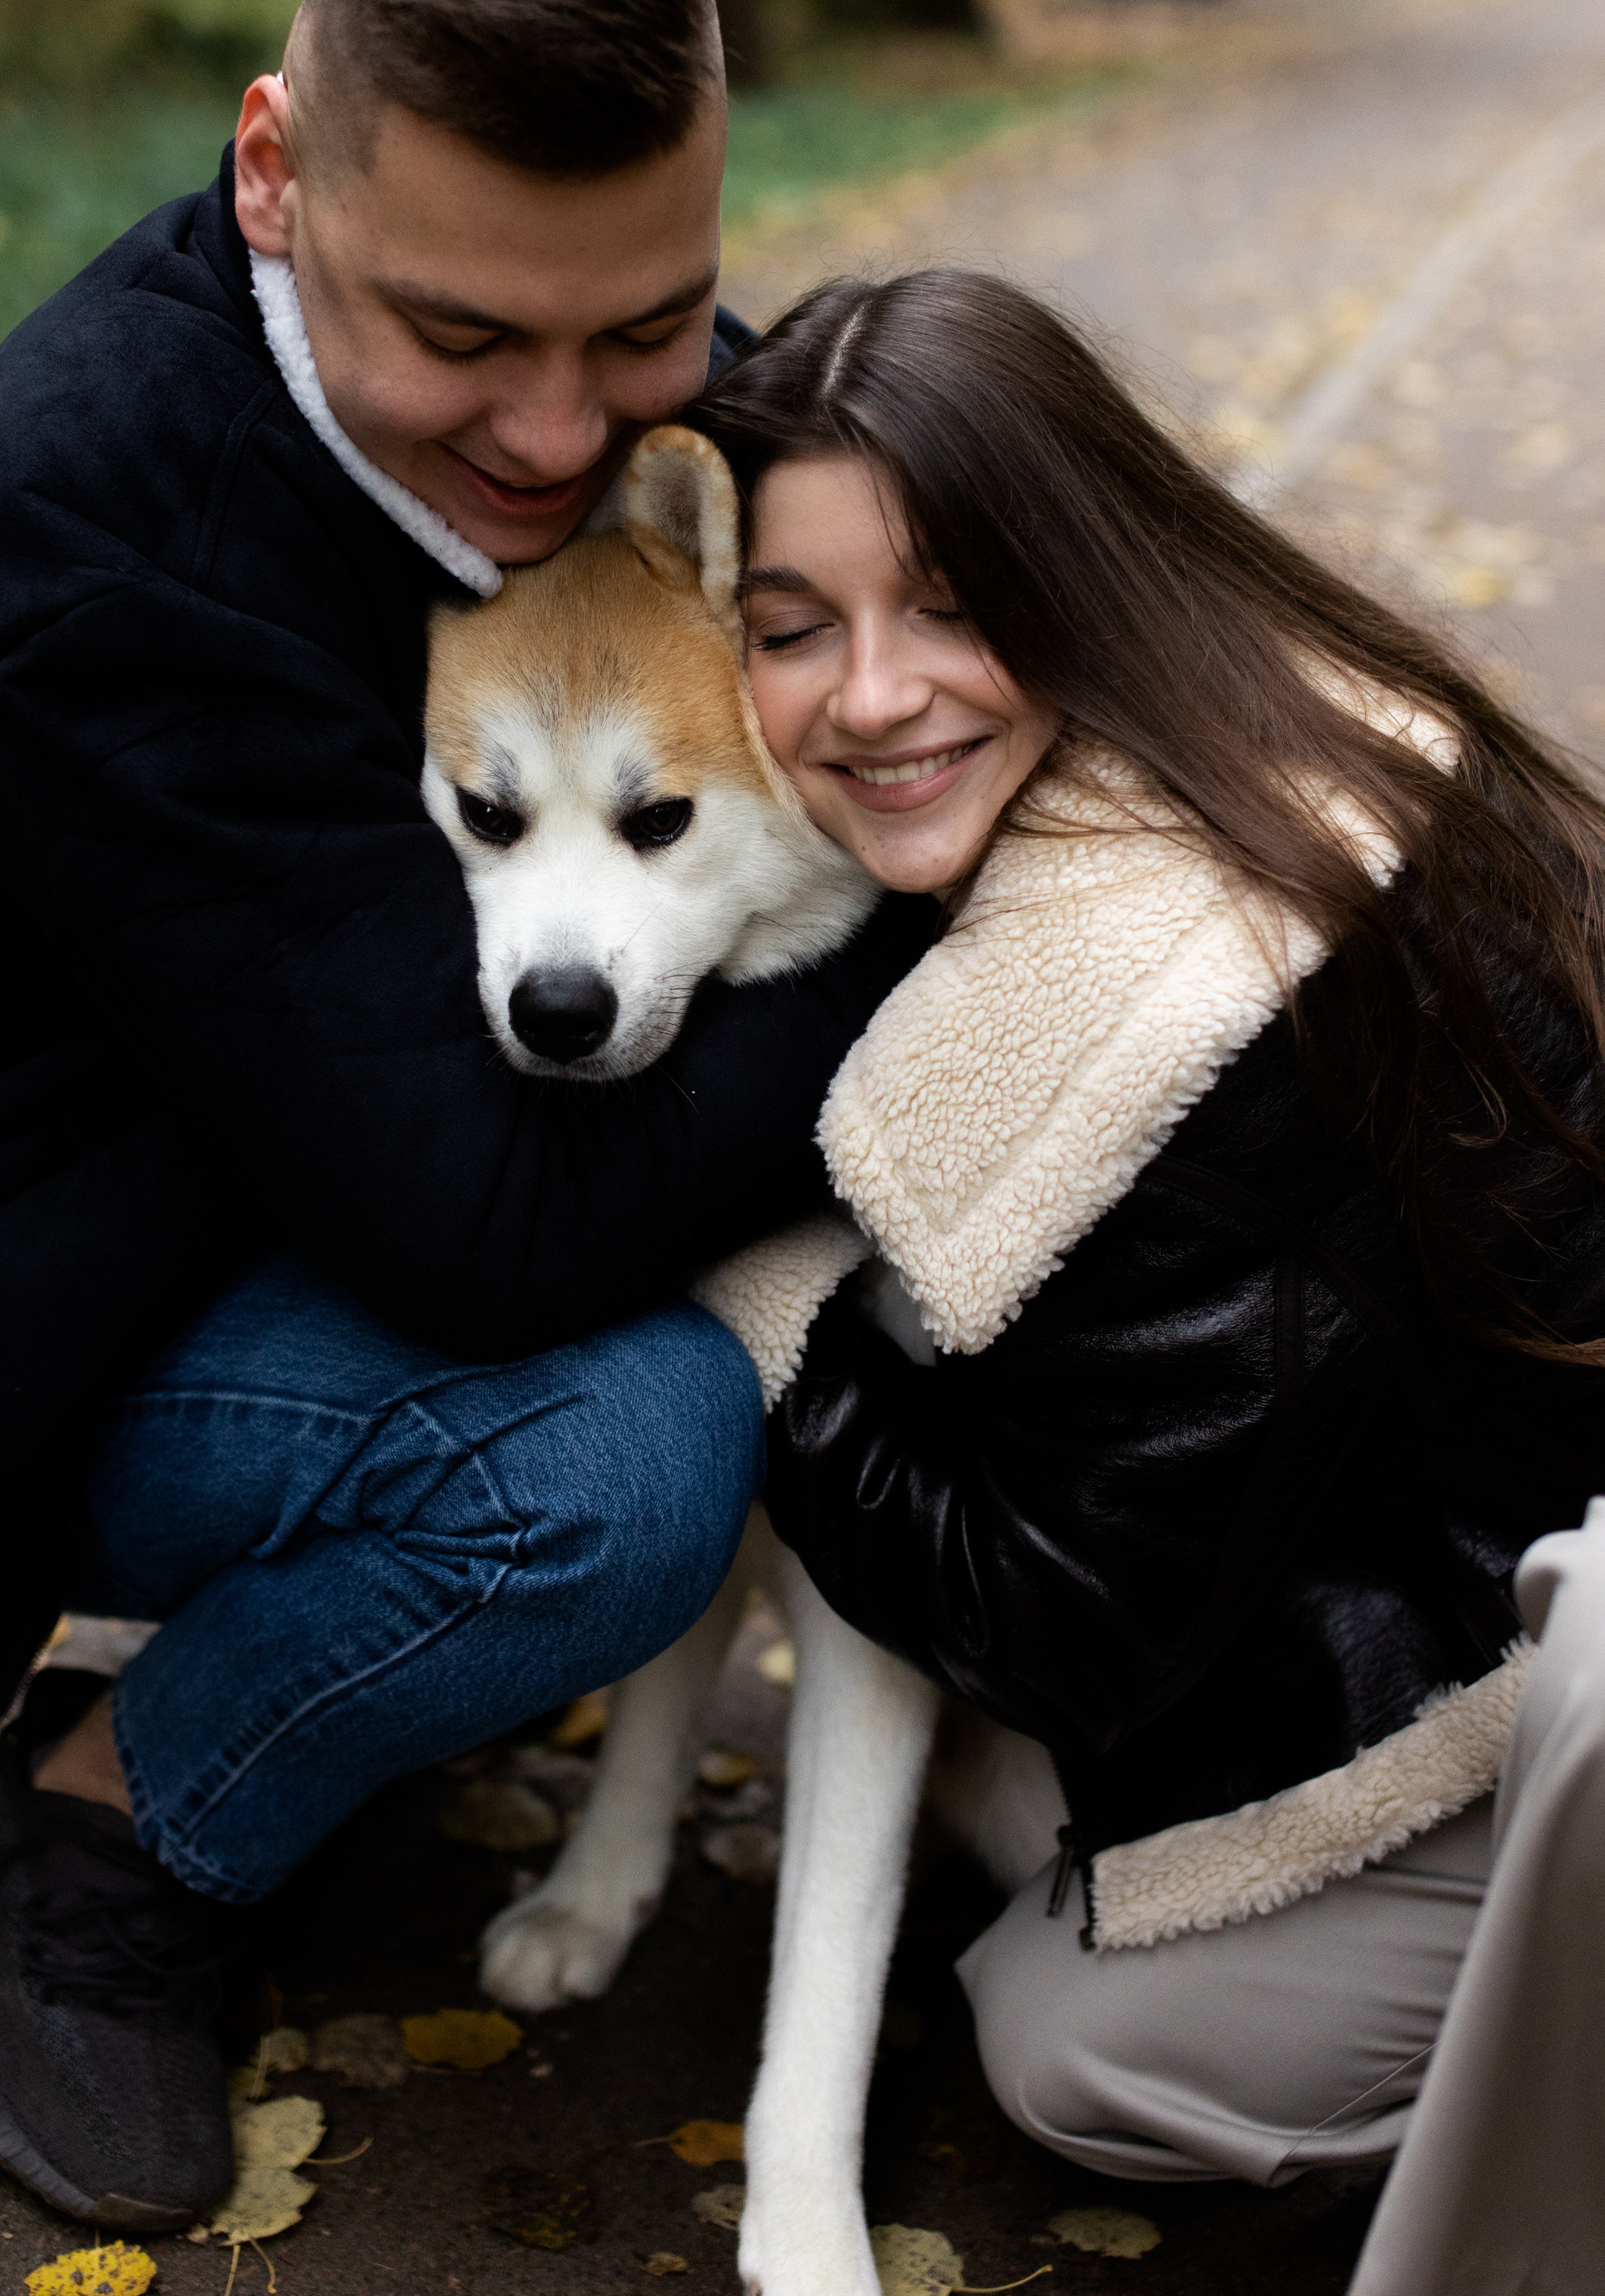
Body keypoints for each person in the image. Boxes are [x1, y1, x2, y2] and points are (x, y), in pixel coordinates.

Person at [0, 0, 930, 2231]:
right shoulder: (110, 531)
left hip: (278, 1187)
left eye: (646, 322)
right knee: (623, 1458)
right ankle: (117, 1817)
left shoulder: (638, 433)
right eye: (462, 336)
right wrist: (939, 976)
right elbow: (496, 1237)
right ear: (276, 170)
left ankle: (345, 1670)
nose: (565, 431)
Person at [687, 268, 1605, 2295]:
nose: (870, 693)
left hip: (1545, 1676)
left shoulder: (1159, 1005)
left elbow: (1049, 1622)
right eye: (789, 628)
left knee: (1075, 2043)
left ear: (1078, 570)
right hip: (1490, 1547)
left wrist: (776, 1306)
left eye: (946, 601)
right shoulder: (1260, 711)